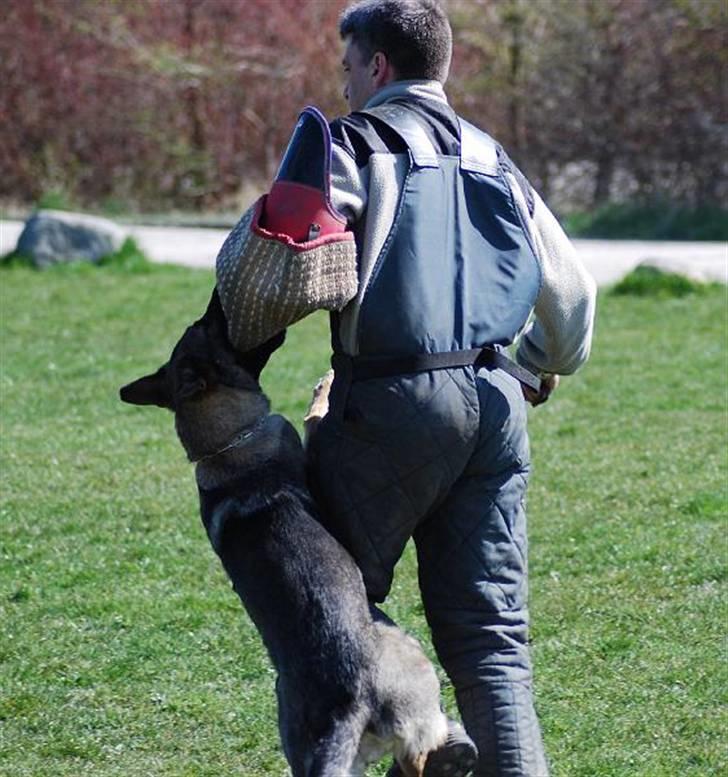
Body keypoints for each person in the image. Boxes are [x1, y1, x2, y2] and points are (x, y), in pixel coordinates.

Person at [218, 1, 596, 774]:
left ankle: (418, 737)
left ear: (378, 66)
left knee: (328, 616)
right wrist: (528, 366)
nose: (347, 84)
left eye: (350, 67)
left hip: (389, 402)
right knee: (493, 643)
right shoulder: (497, 159)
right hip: (494, 408)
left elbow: (264, 277)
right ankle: (448, 739)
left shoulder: (353, 147)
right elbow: (575, 296)